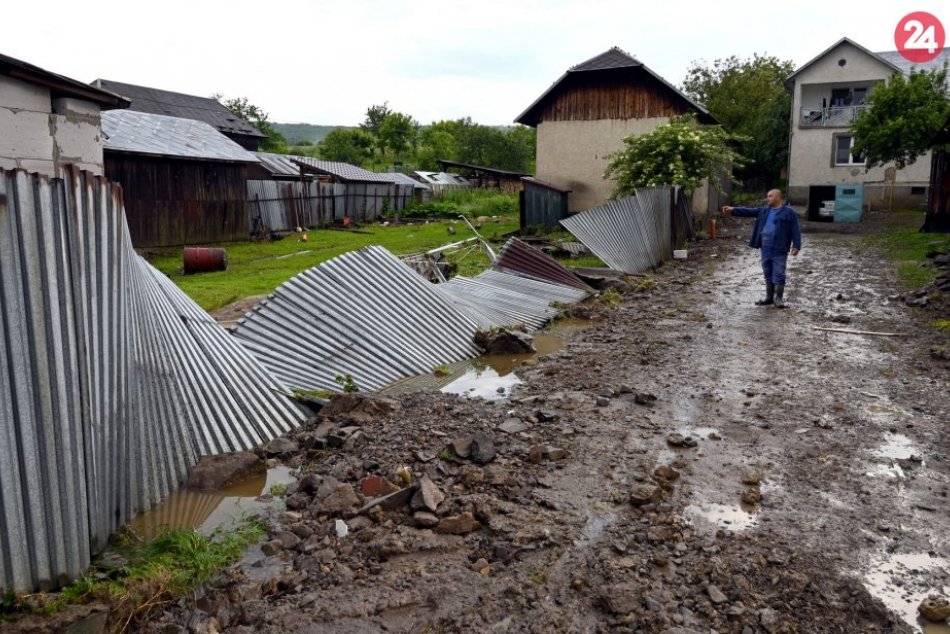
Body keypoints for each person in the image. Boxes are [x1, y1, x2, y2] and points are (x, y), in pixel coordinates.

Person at [722, 189, 802, 308]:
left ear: (778, 198)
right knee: (767, 272)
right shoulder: (764, 210)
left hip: (780, 247)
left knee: (779, 273)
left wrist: (796, 245)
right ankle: (769, 297)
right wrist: (734, 209)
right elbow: (749, 211)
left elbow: (795, 229)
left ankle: (778, 298)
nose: (767, 198)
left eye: (770, 196)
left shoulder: (789, 212)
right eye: (767, 196)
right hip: (765, 247)